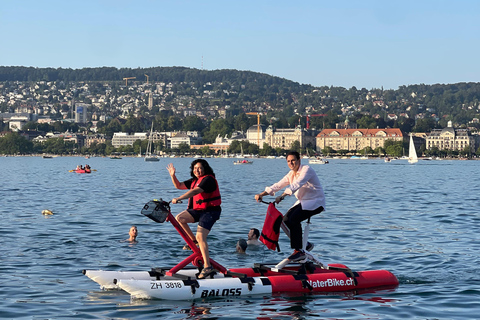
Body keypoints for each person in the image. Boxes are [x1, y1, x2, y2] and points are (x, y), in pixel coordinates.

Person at [254, 151, 325, 262]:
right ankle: (304, 245)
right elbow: (278, 185)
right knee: (285, 220)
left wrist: (282, 197)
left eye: (293, 160)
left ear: (299, 161)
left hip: (316, 202)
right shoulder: (291, 174)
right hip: (303, 202)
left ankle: (299, 251)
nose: (291, 163)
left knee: (294, 219)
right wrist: (261, 194)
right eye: (288, 161)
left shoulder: (307, 170)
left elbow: (296, 185)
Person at [167, 159, 222, 279]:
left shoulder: (208, 180)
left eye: (200, 168)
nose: (197, 170)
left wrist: (179, 198)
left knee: (201, 236)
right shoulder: (194, 181)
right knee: (180, 218)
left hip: (211, 211)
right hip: (199, 210)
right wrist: (173, 175)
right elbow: (179, 185)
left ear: (205, 169)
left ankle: (207, 267)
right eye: (195, 168)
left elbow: (196, 191)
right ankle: (193, 241)